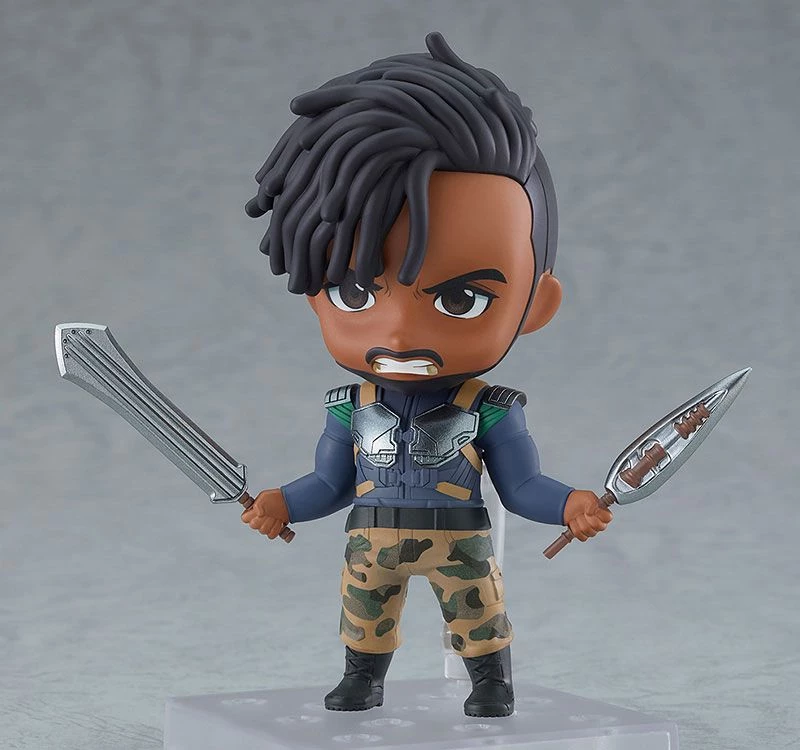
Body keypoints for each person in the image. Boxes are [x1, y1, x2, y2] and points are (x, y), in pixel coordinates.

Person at [241, 31, 612, 718]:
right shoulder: (348, 406)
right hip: (372, 535)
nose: (399, 334)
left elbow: (521, 485)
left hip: (459, 533)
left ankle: (490, 680)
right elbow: (329, 482)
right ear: (314, 293)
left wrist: (570, 505)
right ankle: (362, 677)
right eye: (356, 292)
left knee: (478, 611)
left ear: (536, 305)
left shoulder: (489, 407)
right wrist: (281, 502)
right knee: (363, 612)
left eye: (461, 299)